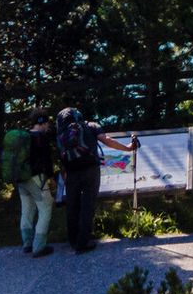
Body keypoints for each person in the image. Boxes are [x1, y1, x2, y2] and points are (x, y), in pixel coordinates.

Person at [55, 106, 138, 255]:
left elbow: (62, 157)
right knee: (88, 204)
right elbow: (106, 140)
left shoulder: (62, 133)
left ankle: (73, 240)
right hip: (90, 170)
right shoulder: (91, 126)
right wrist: (128, 148)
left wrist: (64, 176)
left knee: (72, 205)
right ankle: (83, 242)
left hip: (71, 171)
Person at [16, 108, 57, 257]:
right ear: (43, 122)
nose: (48, 126)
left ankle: (27, 243)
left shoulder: (23, 136)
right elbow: (47, 161)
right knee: (45, 208)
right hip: (36, 178)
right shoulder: (41, 137)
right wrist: (51, 178)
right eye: (47, 123)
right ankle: (39, 246)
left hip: (21, 179)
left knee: (27, 209)